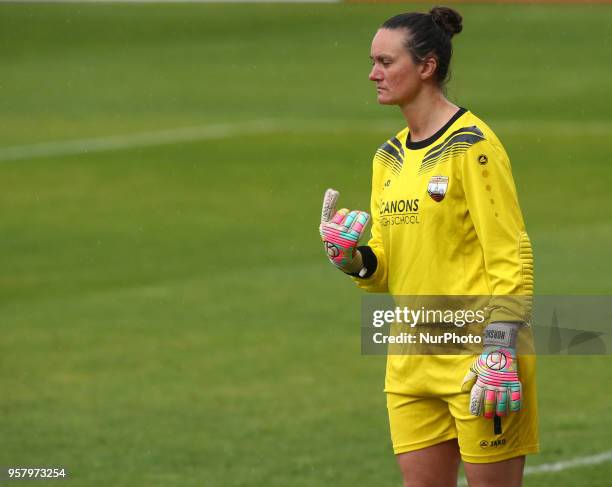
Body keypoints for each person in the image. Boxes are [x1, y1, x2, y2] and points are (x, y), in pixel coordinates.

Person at [319, 7, 539, 487]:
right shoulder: (389, 157)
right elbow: (383, 270)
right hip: (411, 360)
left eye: (385, 61)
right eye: (373, 61)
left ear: (427, 66)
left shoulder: (472, 146)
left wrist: (500, 347)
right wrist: (350, 258)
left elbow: (510, 253)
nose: (373, 73)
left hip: (479, 359)